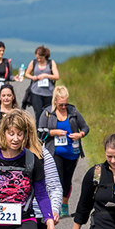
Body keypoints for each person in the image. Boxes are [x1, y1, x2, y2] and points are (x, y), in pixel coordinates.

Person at [39, 85, 89, 217]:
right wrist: (53, 132)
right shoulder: (47, 113)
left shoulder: (73, 111)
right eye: (61, 104)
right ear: (55, 101)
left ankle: (64, 205)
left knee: (67, 180)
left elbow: (85, 127)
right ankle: (54, 206)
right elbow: (39, 131)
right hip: (54, 152)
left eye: (65, 104)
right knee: (58, 179)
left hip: (72, 152)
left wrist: (80, 135)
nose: (63, 107)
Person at [24, 45, 59, 124]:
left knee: (48, 113)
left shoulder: (51, 63)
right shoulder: (34, 62)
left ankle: (48, 131)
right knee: (38, 113)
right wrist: (33, 77)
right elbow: (27, 74)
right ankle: (38, 132)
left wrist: (45, 75)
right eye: (37, 58)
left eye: (41, 58)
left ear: (45, 56)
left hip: (48, 92)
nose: (39, 60)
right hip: (36, 91)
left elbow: (56, 76)